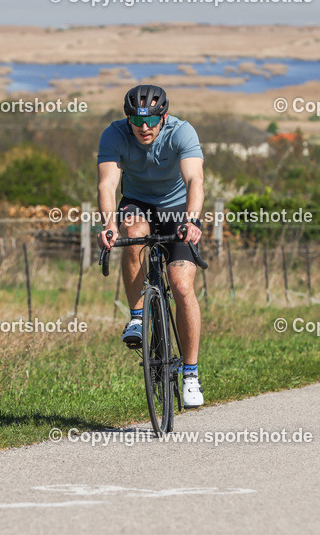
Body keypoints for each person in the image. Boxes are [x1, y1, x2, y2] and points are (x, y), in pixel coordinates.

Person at [96, 84, 206, 408]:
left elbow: (195, 181)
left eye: (152, 120)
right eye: (137, 121)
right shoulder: (114, 135)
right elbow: (107, 183)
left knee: (182, 286)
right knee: (132, 230)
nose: (144, 128)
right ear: (127, 118)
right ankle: (137, 318)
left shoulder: (182, 133)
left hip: (177, 210)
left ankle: (190, 373)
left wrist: (192, 221)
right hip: (137, 204)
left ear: (164, 115)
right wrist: (108, 225)